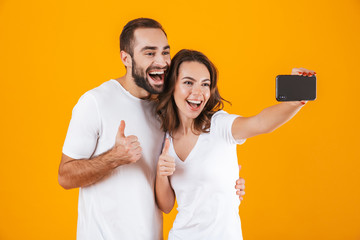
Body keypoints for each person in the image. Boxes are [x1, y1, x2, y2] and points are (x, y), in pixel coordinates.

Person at [58, 18, 245, 240]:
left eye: (165, 52)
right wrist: (113, 158)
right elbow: (65, 176)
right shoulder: (95, 102)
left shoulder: (165, 110)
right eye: (149, 53)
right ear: (125, 58)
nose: (162, 61)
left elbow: (172, 188)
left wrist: (222, 183)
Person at [155, 49, 316, 239]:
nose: (198, 92)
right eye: (188, 82)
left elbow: (260, 123)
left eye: (205, 84)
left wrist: (294, 102)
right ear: (173, 86)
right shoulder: (165, 137)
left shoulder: (219, 125)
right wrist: (161, 173)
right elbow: (167, 206)